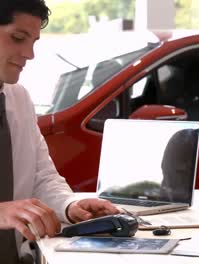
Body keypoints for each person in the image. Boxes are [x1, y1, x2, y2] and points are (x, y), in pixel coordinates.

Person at [0, 1, 120, 262]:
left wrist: (70, 205)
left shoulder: (18, 99)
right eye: (18, 38)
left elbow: (41, 177)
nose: (29, 54)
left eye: (33, 41)